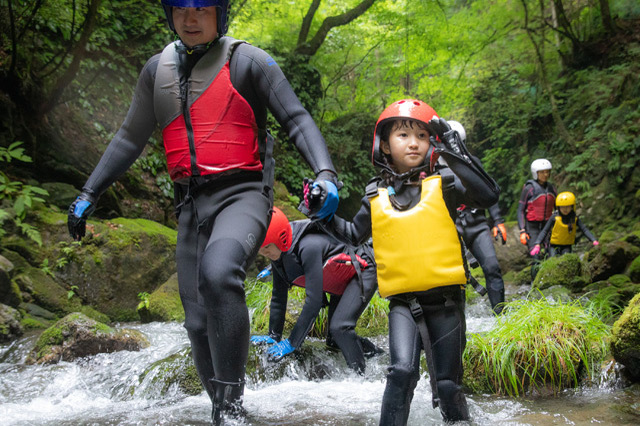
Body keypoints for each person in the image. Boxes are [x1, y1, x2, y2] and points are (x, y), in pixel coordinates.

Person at [66, 1, 339, 423]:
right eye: (180, 9)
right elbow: (128, 138)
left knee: (218, 273)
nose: (190, 19)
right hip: (191, 204)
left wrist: (325, 174)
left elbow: (297, 119)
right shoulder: (156, 71)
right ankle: (222, 409)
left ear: (221, 14)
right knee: (195, 321)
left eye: (202, 9)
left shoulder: (249, 61)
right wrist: (89, 192)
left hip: (243, 195)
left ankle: (230, 409)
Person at [319, 99, 500, 424]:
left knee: (447, 386)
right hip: (403, 304)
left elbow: (487, 195)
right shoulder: (375, 193)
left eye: (422, 135)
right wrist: (321, 211)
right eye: (403, 135)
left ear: (432, 142)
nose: (414, 142)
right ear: (385, 146)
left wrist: (454, 149)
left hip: (446, 303)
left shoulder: (445, 183)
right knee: (400, 373)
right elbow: (350, 234)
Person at [250, 207, 381, 374]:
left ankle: (361, 380)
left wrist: (292, 342)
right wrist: (273, 336)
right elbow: (278, 297)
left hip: (364, 269)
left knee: (340, 328)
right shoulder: (278, 254)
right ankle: (378, 356)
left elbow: (314, 300)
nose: (264, 253)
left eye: (267, 247)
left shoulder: (308, 247)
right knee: (334, 341)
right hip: (342, 276)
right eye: (260, 249)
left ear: (280, 238)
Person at [448, 121, 507, 314]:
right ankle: (458, 326)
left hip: (478, 224)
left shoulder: (473, 163)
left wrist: (497, 221)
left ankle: (501, 316)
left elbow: (489, 191)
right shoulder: (433, 169)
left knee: (492, 268)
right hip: (451, 229)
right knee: (454, 279)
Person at [517, 158, 557, 278]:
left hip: (547, 226)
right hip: (532, 227)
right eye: (542, 172)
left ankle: (551, 282)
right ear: (536, 173)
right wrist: (522, 230)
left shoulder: (552, 188)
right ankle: (534, 286)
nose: (546, 175)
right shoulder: (530, 188)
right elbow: (520, 210)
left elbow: (558, 209)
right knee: (536, 255)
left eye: (547, 172)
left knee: (552, 254)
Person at [530, 191, 599, 258]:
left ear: (572, 207)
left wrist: (594, 240)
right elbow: (544, 231)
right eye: (562, 207)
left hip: (567, 246)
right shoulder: (554, 217)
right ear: (558, 207)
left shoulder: (574, 219)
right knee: (553, 261)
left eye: (567, 206)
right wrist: (537, 243)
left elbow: (585, 230)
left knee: (566, 260)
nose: (565, 209)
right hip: (553, 246)